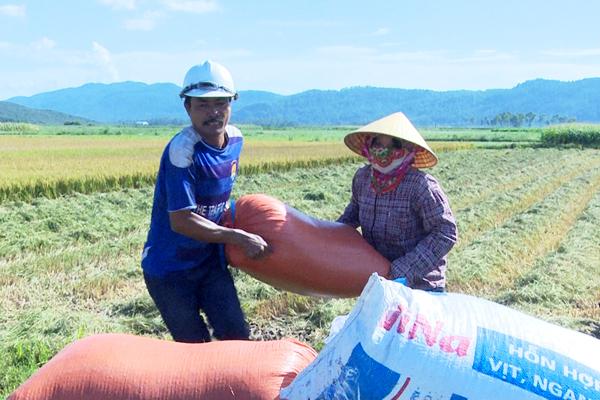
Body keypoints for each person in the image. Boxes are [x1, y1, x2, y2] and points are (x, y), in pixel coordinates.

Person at [141, 60, 269, 343]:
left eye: (221, 103)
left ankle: (236, 388)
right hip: (169, 269)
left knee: (236, 335)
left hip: (210, 262)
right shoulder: (182, 151)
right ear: (188, 107)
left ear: (232, 104)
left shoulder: (236, 140)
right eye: (202, 105)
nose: (214, 112)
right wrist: (238, 237)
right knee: (193, 345)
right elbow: (181, 220)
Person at [338, 112, 457, 291]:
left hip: (420, 285)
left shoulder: (421, 186)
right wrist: (322, 236)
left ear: (408, 151)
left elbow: (445, 232)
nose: (383, 151)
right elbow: (351, 217)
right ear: (369, 146)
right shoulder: (362, 179)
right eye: (378, 143)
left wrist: (399, 271)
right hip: (377, 279)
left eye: (394, 145)